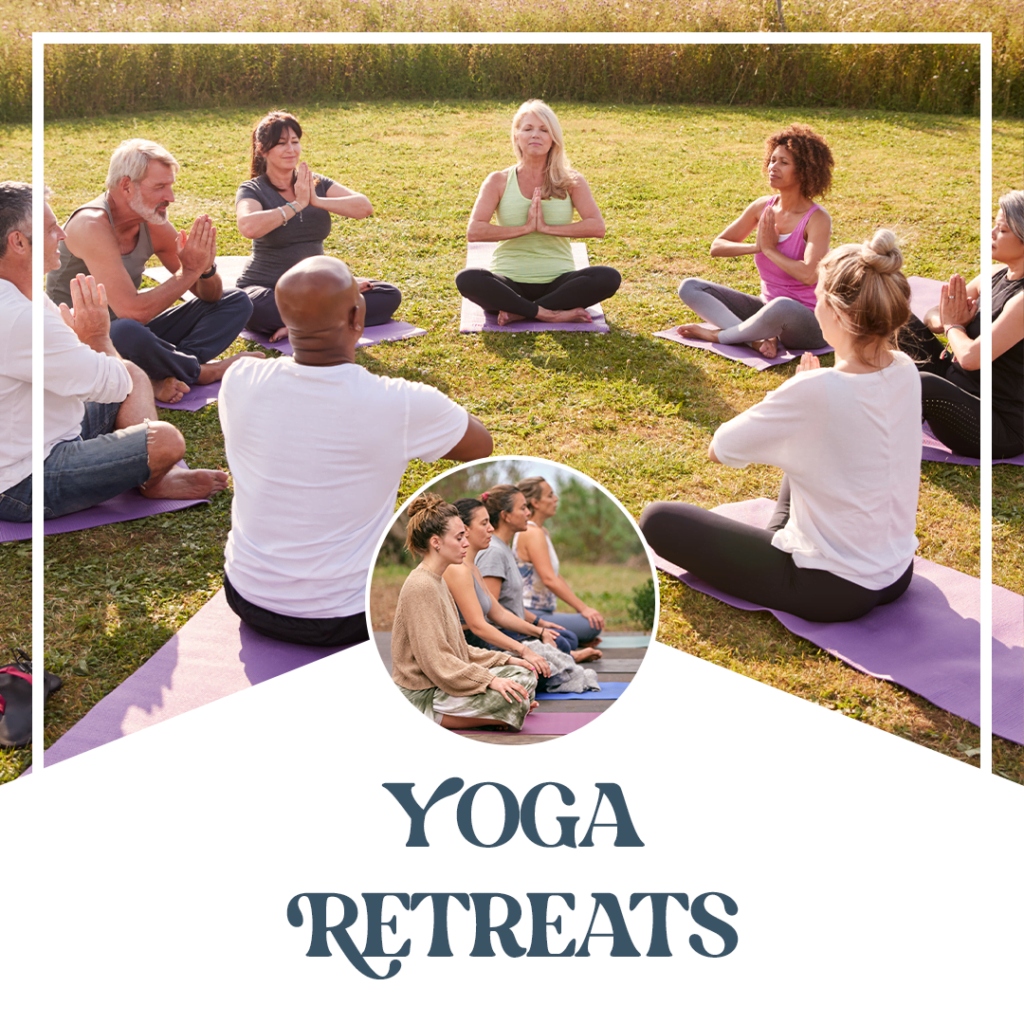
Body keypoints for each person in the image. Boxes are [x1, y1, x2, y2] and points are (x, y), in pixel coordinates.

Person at [641, 229, 920, 623]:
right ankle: (780, 540)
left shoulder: (816, 390)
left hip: (833, 587)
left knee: (658, 519)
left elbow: (719, 449)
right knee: (810, 449)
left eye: (819, 296)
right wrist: (808, 400)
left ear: (837, 313)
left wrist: (799, 390)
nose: (815, 305)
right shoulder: (905, 369)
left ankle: (778, 545)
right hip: (896, 573)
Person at [218, 255, 492, 647]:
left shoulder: (240, 379)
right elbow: (480, 445)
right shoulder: (399, 402)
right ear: (357, 318)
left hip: (247, 597)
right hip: (346, 614)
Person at [0, 184, 228, 524]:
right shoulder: (19, 316)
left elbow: (94, 373)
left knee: (136, 374)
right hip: (21, 482)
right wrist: (97, 337)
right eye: (50, 229)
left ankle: (153, 477)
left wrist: (85, 345)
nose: (61, 234)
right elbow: (112, 384)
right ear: (18, 242)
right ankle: (153, 479)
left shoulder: (22, 291)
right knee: (165, 441)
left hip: (45, 431)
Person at [45, 138, 256, 405]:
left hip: (134, 334)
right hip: (81, 343)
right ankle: (200, 371)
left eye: (170, 186)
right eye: (159, 187)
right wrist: (190, 270)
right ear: (126, 186)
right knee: (126, 331)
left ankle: (168, 370)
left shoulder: (151, 221)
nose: (171, 197)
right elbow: (133, 311)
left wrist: (205, 268)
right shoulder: (91, 225)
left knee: (236, 301)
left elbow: (211, 297)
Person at [235, 110, 402, 341]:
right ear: (262, 150)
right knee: (250, 307)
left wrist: (316, 200)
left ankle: (300, 325)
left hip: (316, 289)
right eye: (282, 143)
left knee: (388, 295)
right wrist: (295, 205)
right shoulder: (253, 189)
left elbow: (364, 207)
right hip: (267, 288)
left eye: (295, 142)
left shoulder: (315, 183)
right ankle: (325, 320)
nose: (291, 150)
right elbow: (248, 226)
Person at [455, 99, 620, 325]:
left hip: (559, 281)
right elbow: (474, 231)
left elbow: (596, 227)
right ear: (516, 136)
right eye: (528, 129)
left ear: (553, 139)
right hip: (508, 282)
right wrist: (524, 229)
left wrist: (546, 229)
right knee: (468, 279)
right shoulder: (498, 180)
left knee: (608, 277)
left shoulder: (571, 180)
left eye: (544, 130)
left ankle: (521, 312)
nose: (536, 135)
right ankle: (549, 313)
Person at [676, 123, 834, 359]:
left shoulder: (818, 219)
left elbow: (809, 274)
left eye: (783, 162)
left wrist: (770, 251)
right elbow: (717, 246)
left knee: (782, 305)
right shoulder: (763, 206)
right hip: (765, 310)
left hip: (808, 321)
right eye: (772, 160)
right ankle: (756, 340)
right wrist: (757, 247)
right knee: (690, 287)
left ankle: (719, 336)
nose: (773, 167)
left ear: (804, 170)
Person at [391, 494, 538, 731]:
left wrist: (507, 659)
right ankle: (473, 716)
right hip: (423, 693)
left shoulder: (437, 579)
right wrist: (491, 681)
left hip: (444, 680)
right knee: (510, 694)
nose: (466, 544)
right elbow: (437, 662)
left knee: (524, 674)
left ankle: (504, 711)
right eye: (459, 537)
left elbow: (458, 649)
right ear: (436, 542)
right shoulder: (421, 586)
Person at [898, 190, 1024, 460]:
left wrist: (955, 326)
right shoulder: (993, 275)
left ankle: (864, 432)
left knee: (923, 385)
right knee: (895, 319)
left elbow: (969, 357)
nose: (991, 232)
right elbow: (935, 314)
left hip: (998, 422)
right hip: (956, 382)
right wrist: (949, 321)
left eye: (1002, 230)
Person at [476, 485, 600, 661]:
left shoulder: (503, 547)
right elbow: (492, 612)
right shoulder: (494, 552)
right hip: (500, 636)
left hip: (515, 626)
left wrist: (539, 623)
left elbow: (510, 605)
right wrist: (535, 632)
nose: (528, 513)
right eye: (523, 508)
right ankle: (567, 656)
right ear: (506, 516)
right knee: (564, 642)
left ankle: (565, 655)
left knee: (566, 638)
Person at [443, 498, 557, 679]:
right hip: (465, 649)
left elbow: (500, 613)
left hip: (480, 646)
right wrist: (523, 650)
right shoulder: (457, 570)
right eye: (484, 523)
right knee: (535, 673)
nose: (491, 528)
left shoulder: (473, 568)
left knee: (549, 661)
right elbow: (478, 626)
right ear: (465, 529)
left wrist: (540, 631)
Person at [513, 475, 604, 645]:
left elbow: (554, 574)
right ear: (535, 503)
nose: (556, 499)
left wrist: (581, 608)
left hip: (544, 611)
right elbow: (549, 579)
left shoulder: (542, 531)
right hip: (530, 612)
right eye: (550, 495)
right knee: (591, 626)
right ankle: (540, 636)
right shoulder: (532, 533)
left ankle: (567, 639)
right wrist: (584, 609)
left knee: (590, 621)